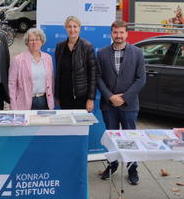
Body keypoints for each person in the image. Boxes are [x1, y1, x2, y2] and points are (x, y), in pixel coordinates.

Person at [97, 20, 146, 185]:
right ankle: (113, 164)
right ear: (111, 33)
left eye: (121, 32)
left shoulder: (137, 53)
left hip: (129, 105)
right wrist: (111, 97)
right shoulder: (102, 53)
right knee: (111, 137)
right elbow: (99, 78)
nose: (118, 36)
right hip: (108, 105)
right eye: (115, 32)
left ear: (127, 34)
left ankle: (132, 169)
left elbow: (141, 79)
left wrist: (124, 98)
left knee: (130, 138)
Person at [55, 16, 96, 112]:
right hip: (64, 97)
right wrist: (57, 95)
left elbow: (93, 75)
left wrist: (90, 99)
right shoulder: (60, 47)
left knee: (81, 126)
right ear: (66, 28)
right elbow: (58, 73)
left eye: (75, 26)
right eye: (69, 26)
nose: (72, 29)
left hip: (81, 97)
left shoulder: (87, 47)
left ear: (79, 28)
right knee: (66, 126)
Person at [9, 28, 54, 110]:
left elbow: (51, 81)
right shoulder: (18, 60)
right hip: (24, 102)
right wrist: (13, 106)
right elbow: (12, 85)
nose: (34, 42)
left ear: (42, 41)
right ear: (27, 42)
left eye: (37, 39)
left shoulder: (48, 58)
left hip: (44, 101)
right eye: (31, 40)